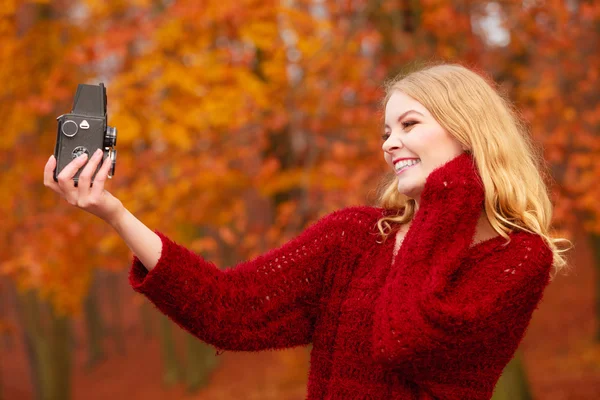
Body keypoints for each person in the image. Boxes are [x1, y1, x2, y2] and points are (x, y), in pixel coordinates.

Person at [44, 63, 571, 400]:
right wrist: (115, 214)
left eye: (409, 125)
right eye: (385, 131)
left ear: (471, 130)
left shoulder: (518, 258)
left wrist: (452, 192)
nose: (389, 144)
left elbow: (407, 339)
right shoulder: (355, 238)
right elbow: (229, 309)